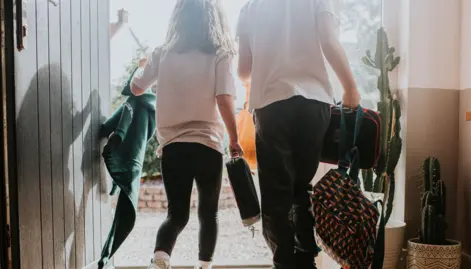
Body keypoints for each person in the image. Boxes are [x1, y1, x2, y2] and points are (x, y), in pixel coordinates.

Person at [236, 0, 361, 268]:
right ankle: (306, 259)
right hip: (314, 103)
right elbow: (328, 41)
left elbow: (243, 70)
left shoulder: (250, 8)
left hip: (271, 104)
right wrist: (350, 88)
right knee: (301, 188)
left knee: (276, 194)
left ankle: (284, 262)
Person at [130, 0, 243, 268]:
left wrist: (142, 65)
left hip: (174, 147)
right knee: (208, 214)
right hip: (208, 145)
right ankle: (204, 266)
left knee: (176, 216)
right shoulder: (221, 53)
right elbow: (225, 99)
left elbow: (136, 87)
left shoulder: (163, 53)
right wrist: (235, 139)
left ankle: (160, 257)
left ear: (178, 18)